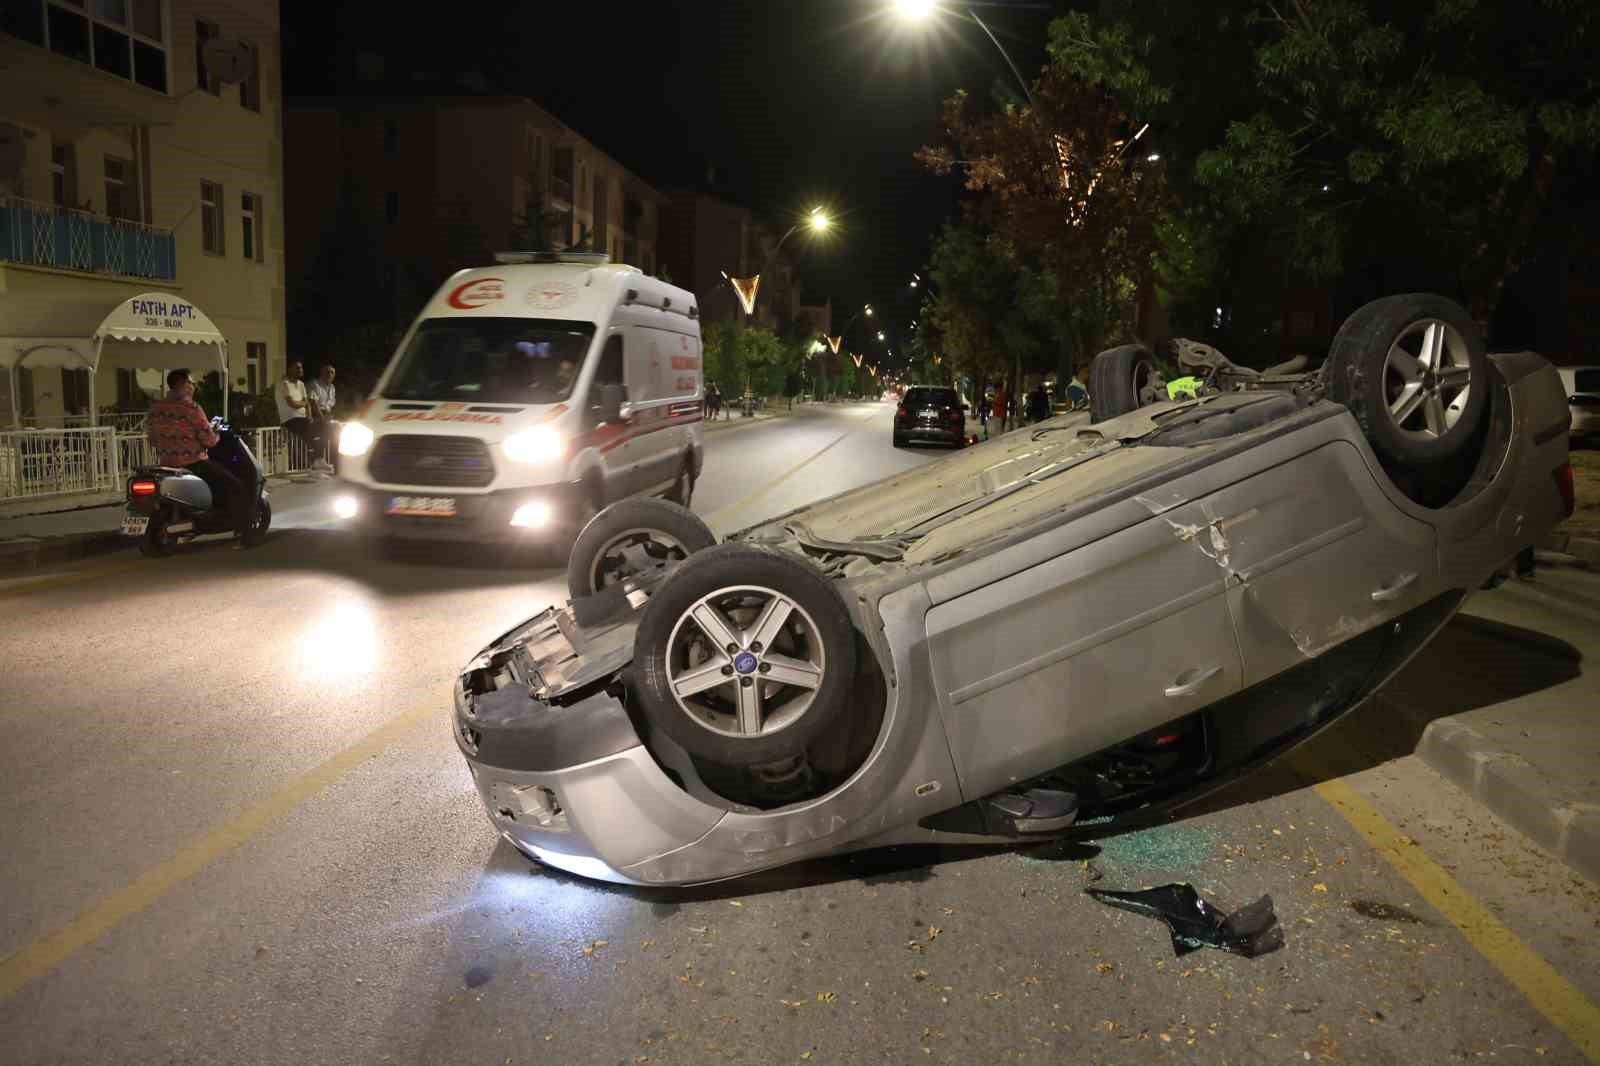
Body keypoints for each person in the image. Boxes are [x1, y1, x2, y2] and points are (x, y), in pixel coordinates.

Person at [146, 368, 251, 543]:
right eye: (191, 382)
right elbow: (209, 440)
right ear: (183, 385)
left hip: (167, 464)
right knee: (234, 485)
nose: (193, 386)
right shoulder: (191, 408)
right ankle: (242, 529)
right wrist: (215, 434)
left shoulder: (157, 408)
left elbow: (152, 439)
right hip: (193, 463)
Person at [276, 360, 324, 473]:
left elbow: (306, 404)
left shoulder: (301, 384)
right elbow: (292, 403)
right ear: (290, 369)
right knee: (310, 431)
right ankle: (313, 462)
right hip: (289, 419)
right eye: (297, 368)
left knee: (323, 427)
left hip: (302, 419)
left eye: (301, 368)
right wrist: (304, 403)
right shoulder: (284, 383)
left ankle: (317, 460)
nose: (300, 370)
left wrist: (310, 415)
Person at [306, 363, 338, 474]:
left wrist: (329, 418)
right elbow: (313, 404)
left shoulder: (332, 388)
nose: (329, 374)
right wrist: (323, 419)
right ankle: (320, 460)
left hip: (326, 414)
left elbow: (330, 405)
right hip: (314, 414)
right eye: (327, 372)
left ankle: (325, 461)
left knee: (337, 432)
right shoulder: (314, 384)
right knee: (328, 433)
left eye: (332, 372)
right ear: (321, 373)